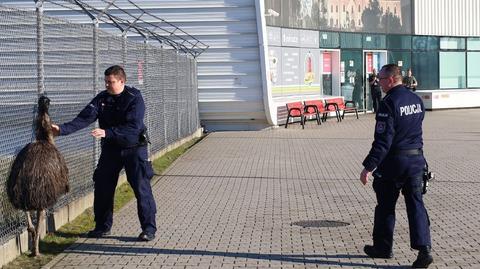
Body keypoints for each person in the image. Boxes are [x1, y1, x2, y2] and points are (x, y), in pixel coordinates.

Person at [52, 65, 157, 241]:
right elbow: (84, 118)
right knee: (102, 187)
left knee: (141, 188)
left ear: (122, 81)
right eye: (106, 81)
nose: (107, 85)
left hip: (134, 149)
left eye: (111, 82)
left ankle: (148, 229)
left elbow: (134, 127)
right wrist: (61, 129)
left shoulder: (134, 98)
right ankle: (102, 226)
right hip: (111, 151)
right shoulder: (102, 99)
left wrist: (108, 133)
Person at [359, 64, 433, 268]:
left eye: (381, 79)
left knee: (385, 205)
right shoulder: (416, 100)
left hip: (394, 163)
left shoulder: (389, 103)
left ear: (391, 80)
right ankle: (424, 250)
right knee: (416, 205)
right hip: (417, 161)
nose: (379, 83)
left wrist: (368, 167)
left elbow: (383, 141)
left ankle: (383, 247)